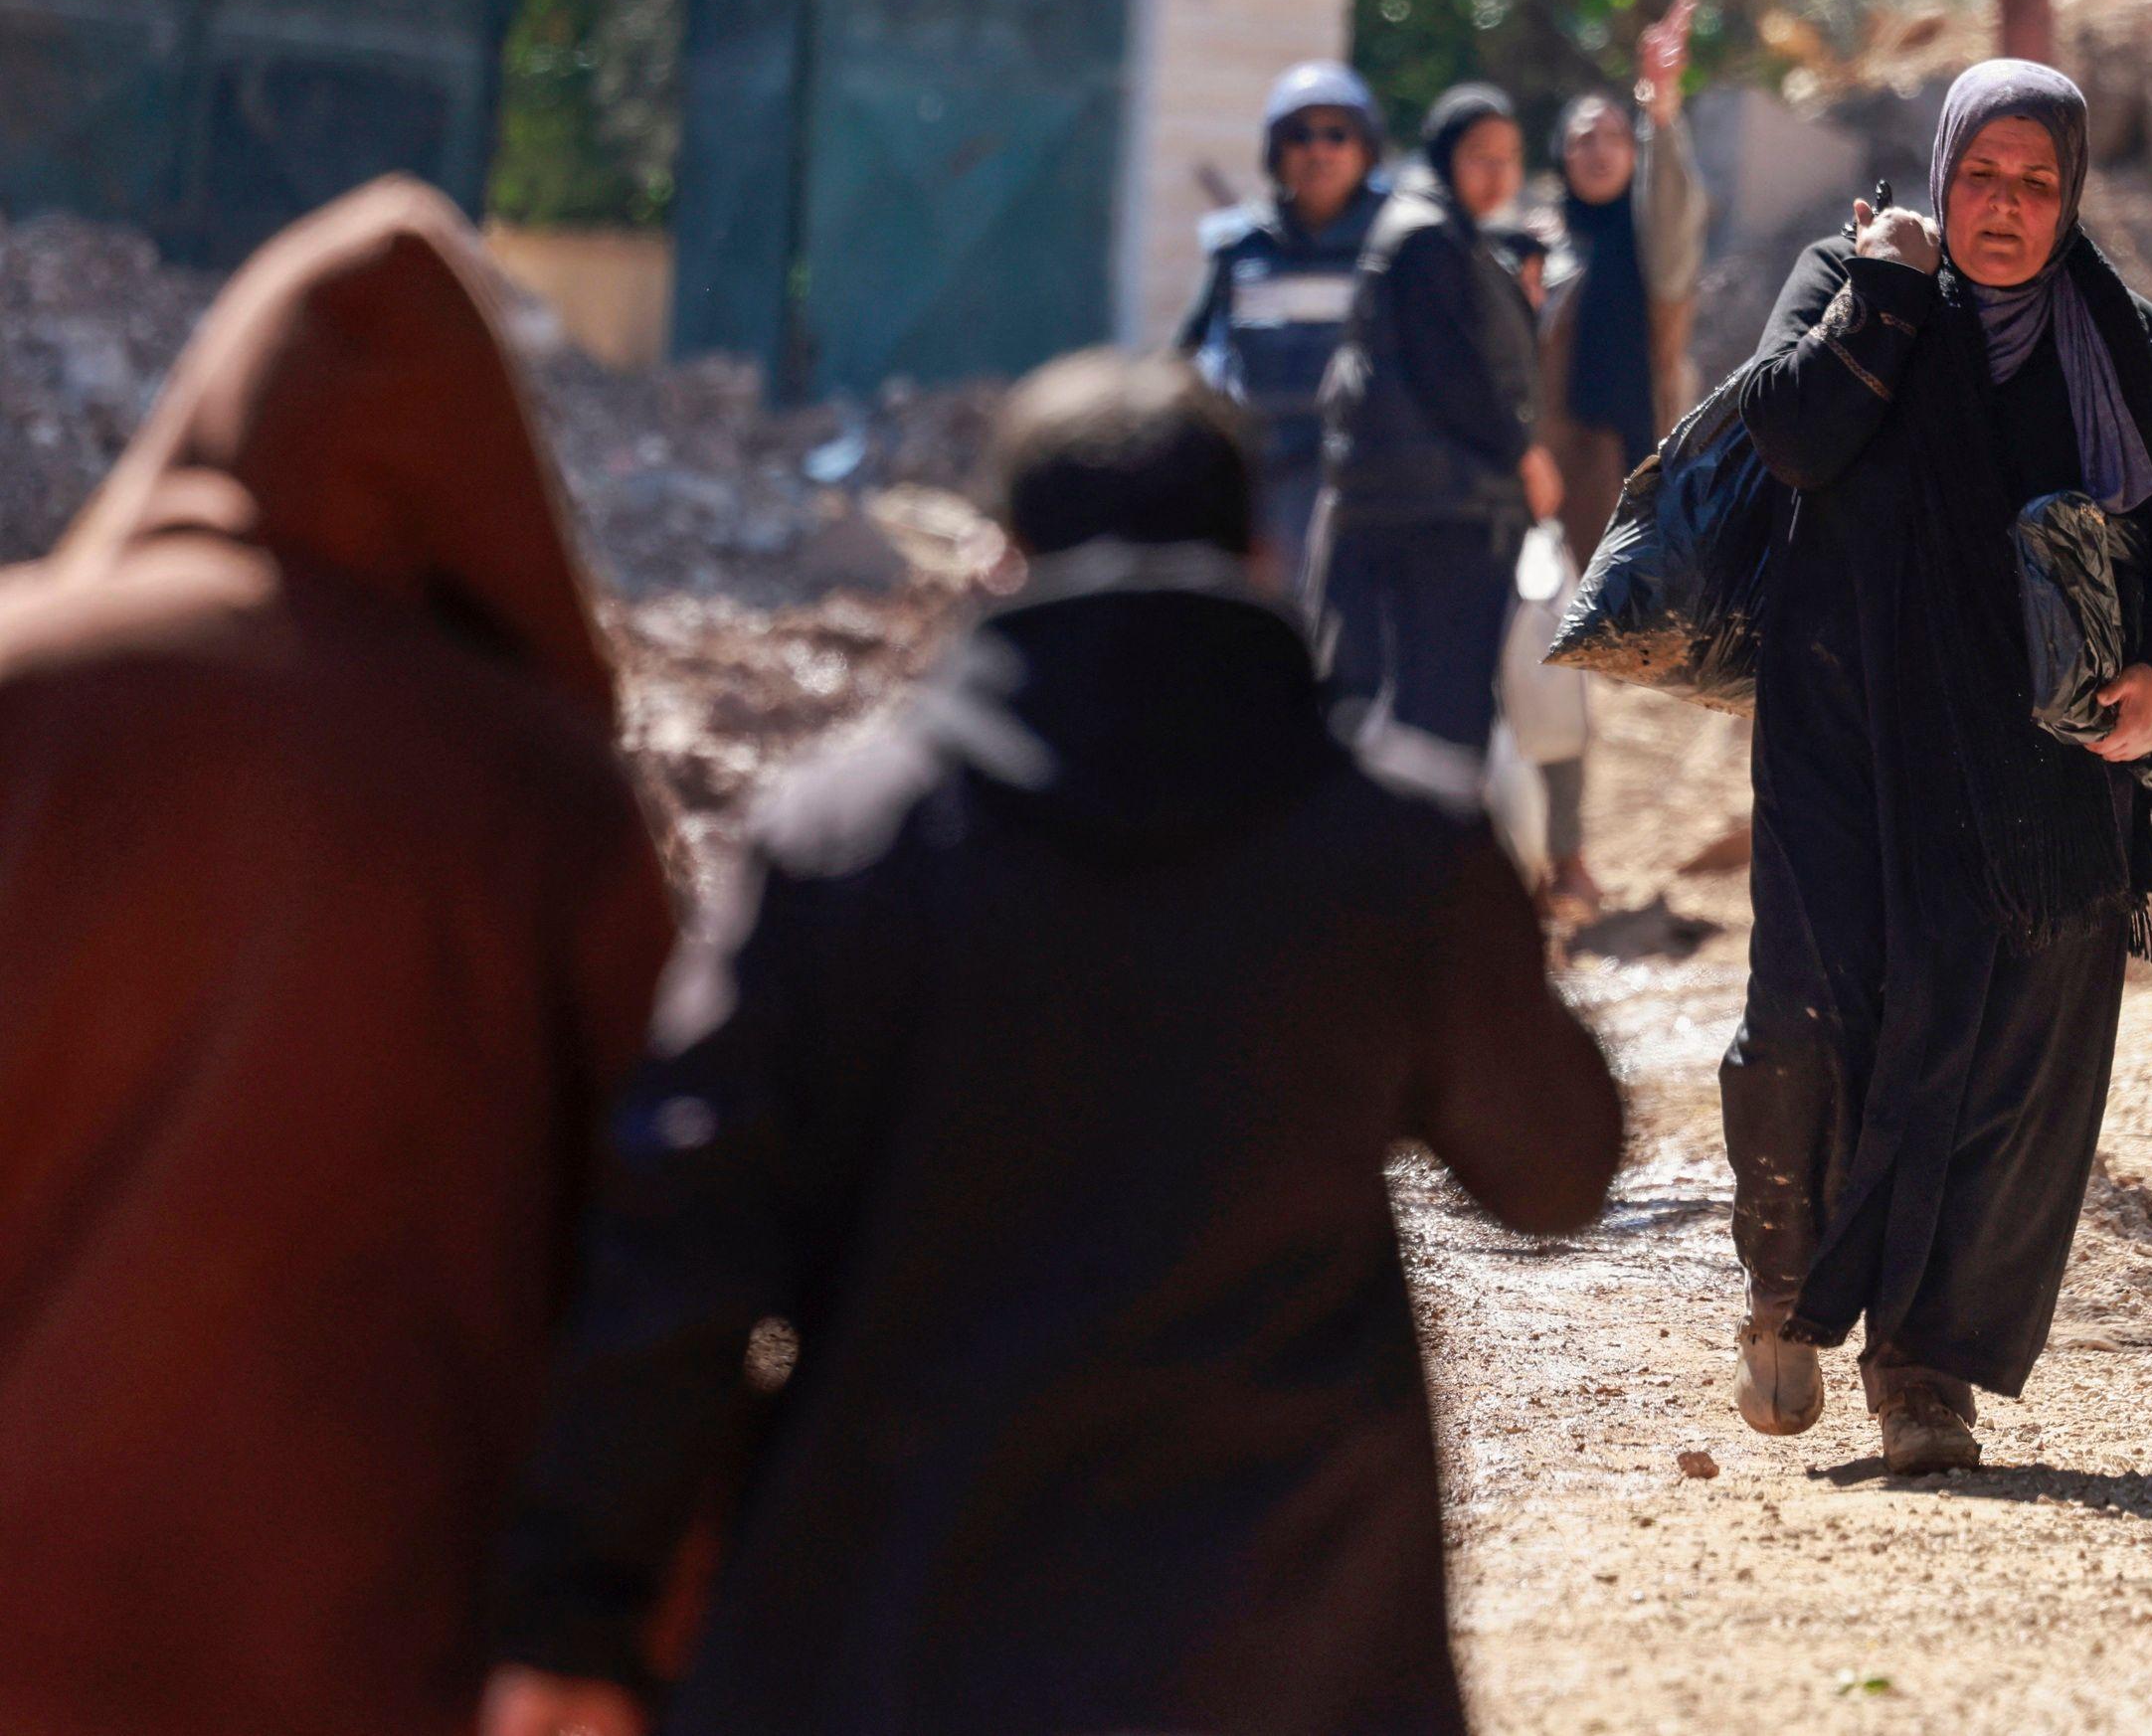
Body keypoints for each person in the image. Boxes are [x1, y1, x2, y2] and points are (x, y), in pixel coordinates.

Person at [478, 351, 1623, 1736]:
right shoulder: (1395, 843)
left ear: (998, 562)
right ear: (1261, 555)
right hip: (1292, 1655)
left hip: (905, 1646)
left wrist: (575, 1617)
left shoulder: (842, 847)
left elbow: (678, 1249)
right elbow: (1556, 1172)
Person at [0, 180, 674, 1736]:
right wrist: (626, 1623)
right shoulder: (536, 793)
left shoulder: (32, 682)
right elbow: (658, 1252)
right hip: (371, 1640)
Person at [1717, 60, 2152, 1474]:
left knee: (2004, 1058)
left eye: (2036, 183)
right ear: (1939, 171)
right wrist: (1889, 296)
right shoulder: (1849, 278)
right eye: (1979, 177)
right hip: (1846, 738)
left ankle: (1926, 1371)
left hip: (2039, 773)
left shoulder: (2116, 339)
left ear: (2070, 198)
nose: (2004, 208)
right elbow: (1791, 435)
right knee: (1817, 1013)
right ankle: (1785, 1287)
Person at [1312, 83, 1563, 784]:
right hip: (1435, 513)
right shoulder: (1425, 237)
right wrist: (1524, 456)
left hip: (1428, 501)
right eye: (1481, 155)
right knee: (1435, 723)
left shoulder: (1446, 233)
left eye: (1510, 157)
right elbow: (1454, 375)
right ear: (1445, 155)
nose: (1498, 173)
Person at [1530, 0, 1711, 909]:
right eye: (1580, 139)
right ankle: (1553, 855)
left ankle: (1583, 861)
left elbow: (1674, 219)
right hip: (1543, 486)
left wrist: (1659, 112)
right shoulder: (1536, 251)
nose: (1597, 150)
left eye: (1612, 137)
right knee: (1539, 671)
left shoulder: (1649, 257)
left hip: (1632, 484)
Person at [1174, 60, 1393, 583]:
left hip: (1369, 475)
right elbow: (1194, 355)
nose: (1318, 151)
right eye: (1300, 136)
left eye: (1336, 134)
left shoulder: (1401, 241)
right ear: (1277, 151)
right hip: (1263, 475)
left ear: (1365, 147)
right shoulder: (1239, 246)